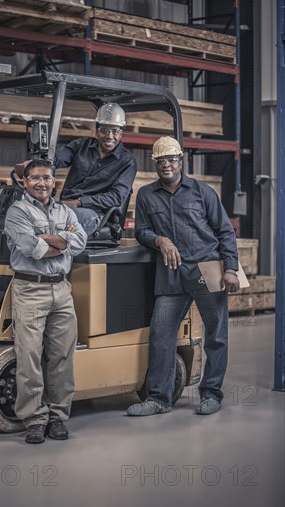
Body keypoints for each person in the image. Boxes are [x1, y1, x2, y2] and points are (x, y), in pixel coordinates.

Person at [127, 136, 240, 417]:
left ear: (181, 161)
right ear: (155, 164)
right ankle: (159, 398)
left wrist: (230, 268)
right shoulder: (146, 195)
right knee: (162, 334)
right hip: (171, 273)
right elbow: (140, 231)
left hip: (207, 269)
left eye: (171, 160)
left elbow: (225, 230)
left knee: (216, 336)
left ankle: (211, 394)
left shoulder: (202, 192)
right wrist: (160, 240)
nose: (166, 165)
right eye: (161, 161)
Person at [4, 159, 87, 444]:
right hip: (30, 289)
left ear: (54, 182)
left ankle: (58, 417)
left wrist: (52, 241)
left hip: (62, 290)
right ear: (25, 181)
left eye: (47, 178)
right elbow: (32, 248)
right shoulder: (17, 211)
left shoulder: (66, 210)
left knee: (62, 357)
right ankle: (35, 419)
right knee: (28, 357)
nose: (42, 183)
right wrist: (63, 242)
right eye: (35, 178)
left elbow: (81, 242)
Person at [54, 102, 137, 236]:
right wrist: (40, 163)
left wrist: (79, 203)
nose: (109, 136)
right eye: (104, 130)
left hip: (94, 213)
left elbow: (116, 197)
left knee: (58, 219)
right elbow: (58, 158)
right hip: (65, 205)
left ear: (121, 134)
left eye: (115, 131)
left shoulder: (127, 162)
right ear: (97, 131)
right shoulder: (82, 145)